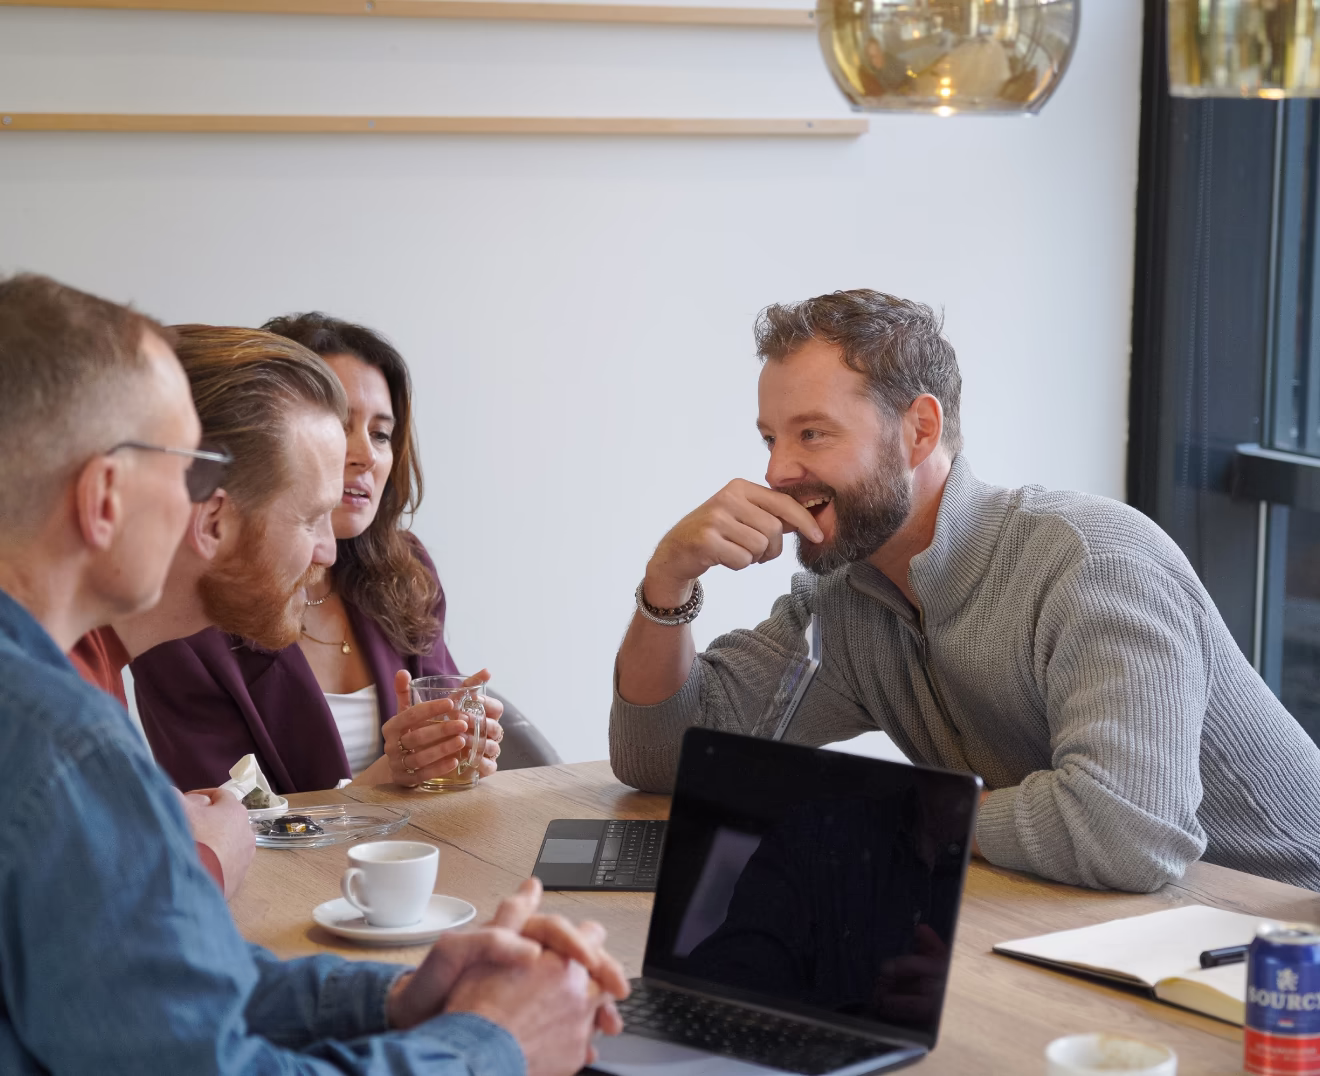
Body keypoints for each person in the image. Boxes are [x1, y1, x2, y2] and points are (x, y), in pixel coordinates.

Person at [0, 272, 628, 1074]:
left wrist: (394, 1000)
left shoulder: (57, 708)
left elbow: (145, 983)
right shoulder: (68, 748)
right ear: (105, 499)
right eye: (180, 471)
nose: (330, 547)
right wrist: (494, 1045)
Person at [610, 288, 1320, 894]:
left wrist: (886, 817)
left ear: (920, 430)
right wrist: (667, 583)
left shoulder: (1094, 561)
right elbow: (661, 761)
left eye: (813, 434)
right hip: (1102, 928)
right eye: (771, 438)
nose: (779, 470)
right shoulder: (849, 599)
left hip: (1278, 934)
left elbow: (1127, 830)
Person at [115, 323, 504, 794]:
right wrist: (379, 784)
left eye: (381, 433)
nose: (362, 454)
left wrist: (451, 745)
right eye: (340, 427)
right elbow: (226, 826)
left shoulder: (407, 571)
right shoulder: (184, 609)